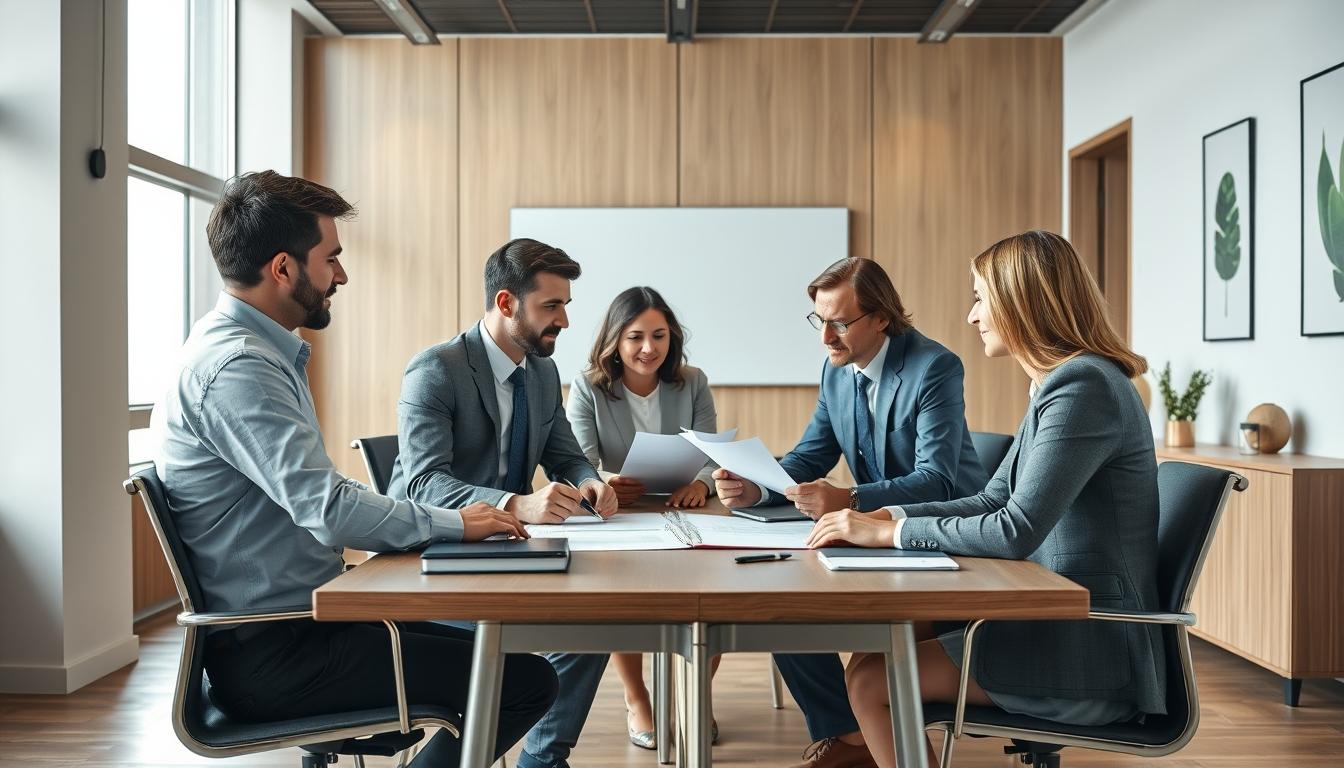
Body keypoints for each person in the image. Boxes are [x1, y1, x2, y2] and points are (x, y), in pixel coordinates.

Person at [153, 171, 558, 767]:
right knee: (521, 682)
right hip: (279, 652)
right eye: (332, 259)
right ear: (284, 268)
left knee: (503, 658)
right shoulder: (240, 369)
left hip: (302, 627)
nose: (340, 275)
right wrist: (459, 522)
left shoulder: (250, 352)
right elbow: (327, 507)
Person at [807, 230, 1166, 768]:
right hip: (1053, 617)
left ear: (1024, 303)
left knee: (868, 683)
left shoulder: (1082, 389)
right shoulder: (1062, 383)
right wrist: (884, 514)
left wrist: (890, 532)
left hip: (1090, 654)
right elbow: (991, 498)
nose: (973, 316)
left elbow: (1014, 528)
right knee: (873, 654)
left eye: (981, 298)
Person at [713, 256, 987, 768]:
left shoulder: (934, 367)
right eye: (820, 320)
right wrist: (758, 487)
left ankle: (862, 735)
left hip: (942, 536)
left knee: (863, 656)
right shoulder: (837, 371)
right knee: (779, 605)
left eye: (840, 322)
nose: (826, 338)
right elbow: (808, 458)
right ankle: (849, 734)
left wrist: (852, 499)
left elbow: (939, 479)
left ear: (882, 317)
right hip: (871, 534)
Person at [386, 237, 618, 768]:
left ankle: (542, 759)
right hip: (436, 560)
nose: (563, 320)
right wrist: (517, 504)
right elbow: (423, 485)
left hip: (506, 554)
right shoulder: (436, 369)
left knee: (595, 625)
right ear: (508, 303)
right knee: (565, 637)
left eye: (565, 306)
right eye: (551, 306)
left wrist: (589, 481)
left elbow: (566, 454)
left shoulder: (540, 372)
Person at [566, 286, 721, 749]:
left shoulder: (692, 381)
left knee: (711, 595)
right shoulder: (588, 387)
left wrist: (703, 483)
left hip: (683, 508)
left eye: (659, 335)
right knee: (622, 597)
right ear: (615, 339)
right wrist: (606, 483)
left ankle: (698, 696)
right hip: (620, 513)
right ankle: (637, 698)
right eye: (635, 337)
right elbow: (577, 461)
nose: (648, 348)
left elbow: (712, 455)